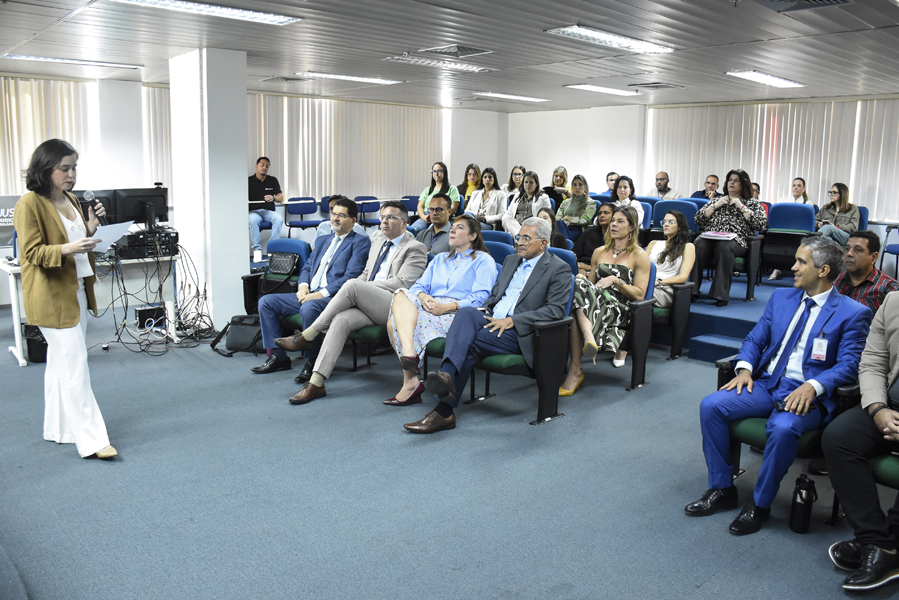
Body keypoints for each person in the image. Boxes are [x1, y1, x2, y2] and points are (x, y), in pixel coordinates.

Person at [685, 236, 872, 536]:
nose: (793, 267)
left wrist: (813, 385)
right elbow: (755, 339)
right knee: (712, 406)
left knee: (783, 428)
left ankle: (760, 504)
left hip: (806, 394)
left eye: (801, 262)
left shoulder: (852, 312)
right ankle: (722, 488)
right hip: (768, 383)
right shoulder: (781, 298)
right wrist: (744, 369)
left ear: (823, 270)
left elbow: (849, 365)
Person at [404, 218, 571, 433]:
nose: (520, 242)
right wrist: (485, 311)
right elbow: (494, 295)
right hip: (492, 319)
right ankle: (446, 379)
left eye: (526, 238)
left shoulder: (558, 268)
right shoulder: (511, 260)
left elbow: (555, 310)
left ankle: (444, 411)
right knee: (466, 313)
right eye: (518, 237)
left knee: (469, 342)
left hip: (520, 331)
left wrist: (513, 320)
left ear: (543, 243)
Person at [13, 139, 117, 459]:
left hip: (76, 290)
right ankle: (93, 441)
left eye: (74, 168)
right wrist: (69, 248)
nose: (72, 174)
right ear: (46, 169)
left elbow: (77, 239)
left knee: (62, 363)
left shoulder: (71, 199)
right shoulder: (29, 204)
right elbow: (32, 253)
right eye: (65, 168)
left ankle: (59, 429)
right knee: (75, 366)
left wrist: (91, 228)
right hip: (51, 295)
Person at [273, 202, 428, 403]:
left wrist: (364, 289)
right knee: (341, 320)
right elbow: (365, 274)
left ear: (404, 223)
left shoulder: (415, 248)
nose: (384, 222)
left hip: (394, 305)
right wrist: (363, 289)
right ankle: (316, 383)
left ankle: (308, 335)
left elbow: (402, 283)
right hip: (369, 301)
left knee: (353, 284)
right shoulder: (378, 243)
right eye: (382, 217)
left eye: (390, 217)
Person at [823, 291, 899, 591]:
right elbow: (873, 362)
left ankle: (889, 542)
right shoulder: (893, 302)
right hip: (889, 406)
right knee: (839, 438)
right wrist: (878, 408)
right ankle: (878, 541)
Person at [386, 215, 497, 406]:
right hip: (430, 306)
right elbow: (418, 286)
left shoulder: (483, 260)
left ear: (472, 236)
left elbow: (480, 298)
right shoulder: (440, 259)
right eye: (453, 227)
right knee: (400, 293)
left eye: (459, 228)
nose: (452, 230)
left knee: (393, 322)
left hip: (457, 313)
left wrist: (446, 307)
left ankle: (410, 381)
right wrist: (424, 297)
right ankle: (410, 356)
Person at [252, 197, 370, 376]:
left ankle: (312, 361)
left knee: (309, 307)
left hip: (335, 297)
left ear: (353, 220)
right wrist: (303, 286)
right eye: (333, 214)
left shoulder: (360, 242)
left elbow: (350, 277)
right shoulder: (323, 240)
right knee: (266, 302)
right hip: (309, 293)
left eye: (341, 215)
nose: (335, 218)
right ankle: (278, 357)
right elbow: (307, 267)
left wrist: (319, 294)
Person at [559, 206, 650, 395]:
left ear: (632, 227)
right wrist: (582, 278)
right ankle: (587, 340)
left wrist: (616, 281)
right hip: (595, 302)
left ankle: (576, 369)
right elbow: (590, 286)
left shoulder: (639, 255)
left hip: (620, 307)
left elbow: (640, 294)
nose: (613, 224)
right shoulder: (599, 252)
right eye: (613, 220)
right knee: (578, 281)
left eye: (620, 221)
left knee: (576, 307)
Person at [693, 169, 767, 307]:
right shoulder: (718, 200)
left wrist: (741, 206)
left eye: (736, 180)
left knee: (723, 246)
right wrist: (716, 205)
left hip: (737, 242)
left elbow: (760, 224)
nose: (731, 183)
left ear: (744, 184)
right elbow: (698, 220)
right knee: (698, 244)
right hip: (711, 238)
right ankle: (692, 290)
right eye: (730, 180)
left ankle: (720, 294)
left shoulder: (753, 203)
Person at [835, 230, 899, 313]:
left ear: (873, 257)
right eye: (847, 249)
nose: (849, 254)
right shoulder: (837, 280)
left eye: (858, 250)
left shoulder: (889, 289)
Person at [646, 210, 696, 308]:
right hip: (646, 284)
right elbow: (640, 265)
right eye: (664, 222)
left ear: (680, 226)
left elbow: (683, 277)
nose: (666, 224)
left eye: (671, 222)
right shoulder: (653, 243)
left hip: (664, 289)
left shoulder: (688, 247)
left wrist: (658, 282)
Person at [249, 156, 285, 263]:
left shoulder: (272, 180)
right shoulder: (249, 181)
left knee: (278, 218)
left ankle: (272, 248)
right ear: (256, 166)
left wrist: (273, 198)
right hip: (254, 212)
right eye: (262, 165)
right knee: (253, 220)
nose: (264, 168)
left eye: (267, 166)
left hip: (268, 212)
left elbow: (281, 198)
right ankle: (257, 250)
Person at [411, 162, 460, 233]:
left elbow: (453, 208)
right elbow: (420, 207)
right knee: (412, 230)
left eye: (439, 171)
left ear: (444, 172)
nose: (436, 174)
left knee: (430, 233)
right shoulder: (427, 190)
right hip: (427, 216)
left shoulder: (452, 189)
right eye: (434, 171)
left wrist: (437, 215)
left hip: (442, 217)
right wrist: (424, 217)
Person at [501, 171, 551, 236]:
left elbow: (547, 217)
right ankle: (520, 235)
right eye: (526, 182)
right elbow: (509, 213)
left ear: (536, 184)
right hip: (516, 225)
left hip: (532, 226)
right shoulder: (517, 196)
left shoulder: (543, 197)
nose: (528, 184)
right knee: (506, 218)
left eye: (531, 182)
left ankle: (519, 236)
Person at [573, 202, 614, 275]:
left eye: (606, 213)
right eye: (600, 213)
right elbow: (574, 254)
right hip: (580, 269)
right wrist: (578, 268)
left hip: (601, 273)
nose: (602, 215)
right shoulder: (589, 232)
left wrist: (588, 267)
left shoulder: (617, 238)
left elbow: (612, 267)